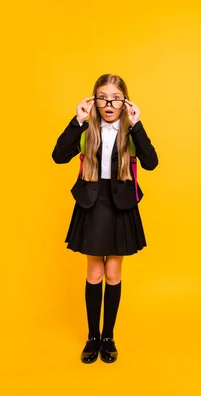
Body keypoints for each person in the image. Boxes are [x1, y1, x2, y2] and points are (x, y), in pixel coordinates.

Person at [52, 73, 158, 363]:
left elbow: (151, 162)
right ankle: (92, 337)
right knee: (94, 274)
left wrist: (137, 125)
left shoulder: (130, 131)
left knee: (113, 274)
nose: (109, 103)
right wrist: (77, 121)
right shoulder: (88, 130)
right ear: (94, 100)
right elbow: (59, 155)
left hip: (121, 206)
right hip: (93, 205)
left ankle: (108, 337)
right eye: (102, 97)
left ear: (125, 102)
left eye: (115, 98)